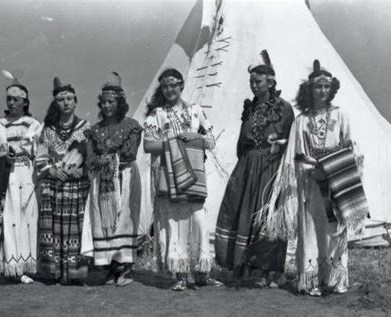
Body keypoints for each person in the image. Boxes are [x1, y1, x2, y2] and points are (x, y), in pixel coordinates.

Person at [262, 60, 367, 296]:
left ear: (332, 90)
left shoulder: (341, 116)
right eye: (318, 87)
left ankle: (336, 279)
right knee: (310, 229)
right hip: (309, 182)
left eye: (326, 87)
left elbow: (353, 148)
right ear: (310, 90)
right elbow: (293, 154)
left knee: (334, 229)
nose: (322, 91)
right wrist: (305, 166)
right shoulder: (301, 121)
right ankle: (312, 280)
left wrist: (333, 163)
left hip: (334, 182)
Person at [214, 50, 294, 288]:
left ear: (270, 82)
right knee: (241, 210)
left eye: (257, 81)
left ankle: (267, 271)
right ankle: (244, 267)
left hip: (271, 168)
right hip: (248, 166)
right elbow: (242, 140)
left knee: (266, 217)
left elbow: (291, 141)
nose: (253, 85)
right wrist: (246, 163)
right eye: (251, 81)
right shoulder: (249, 108)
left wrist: (278, 155)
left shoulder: (284, 108)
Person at [143, 68, 222, 291]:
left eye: (174, 85)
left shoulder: (196, 111)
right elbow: (148, 145)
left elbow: (211, 140)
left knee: (198, 221)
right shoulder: (156, 114)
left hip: (193, 174)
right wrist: (175, 142)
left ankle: (201, 273)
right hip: (168, 175)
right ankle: (179, 274)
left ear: (181, 86)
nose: (170, 89)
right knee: (173, 223)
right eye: (165, 86)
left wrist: (196, 136)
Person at [0, 73, 40, 292]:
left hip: (28, 179)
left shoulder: (34, 124)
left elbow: (39, 152)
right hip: (7, 179)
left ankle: (23, 269)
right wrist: (2, 157)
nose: (11, 103)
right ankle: (7, 267)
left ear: (25, 102)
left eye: (16, 99)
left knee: (27, 221)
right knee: (7, 222)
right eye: (8, 99)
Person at [82, 72, 142, 286]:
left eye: (111, 102)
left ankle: (126, 268)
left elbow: (130, 153)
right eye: (104, 102)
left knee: (123, 218)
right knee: (103, 220)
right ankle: (110, 267)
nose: (107, 106)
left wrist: (105, 158)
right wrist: (102, 160)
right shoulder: (94, 130)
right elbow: (89, 159)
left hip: (124, 178)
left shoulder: (131, 125)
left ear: (120, 103)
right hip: (102, 181)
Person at [36, 77, 91, 285]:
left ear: (76, 101)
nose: (66, 103)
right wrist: (51, 170)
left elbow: (91, 156)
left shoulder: (85, 127)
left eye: (69, 98)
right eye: (61, 99)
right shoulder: (48, 129)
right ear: (55, 103)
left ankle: (74, 272)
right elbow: (40, 157)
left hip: (76, 185)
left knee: (75, 227)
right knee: (55, 227)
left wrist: (82, 169)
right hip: (54, 184)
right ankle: (57, 271)